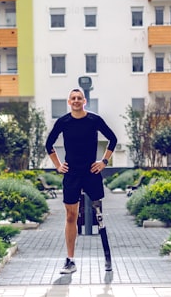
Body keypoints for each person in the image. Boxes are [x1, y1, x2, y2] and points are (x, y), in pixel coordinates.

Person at [44, 87, 118, 274]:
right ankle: (70, 260)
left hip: (91, 172)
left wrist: (104, 161)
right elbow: (48, 144)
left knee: (99, 216)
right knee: (71, 216)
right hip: (72, 174)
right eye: (73, 98)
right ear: (69, 102)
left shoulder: (94, 120)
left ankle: (107, 258)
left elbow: (113, 139)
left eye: (79, 98)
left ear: (84, 101)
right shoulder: (63, 122)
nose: (76, 100)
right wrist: (58, 165)